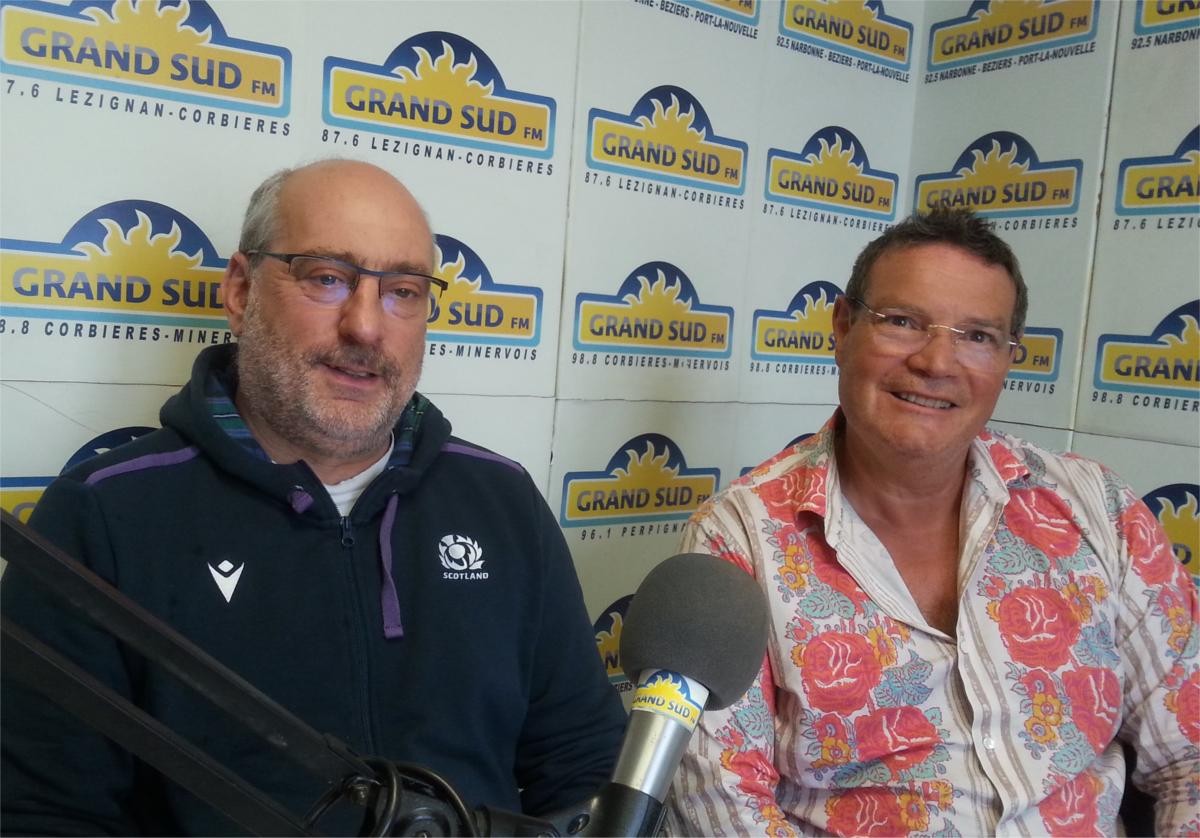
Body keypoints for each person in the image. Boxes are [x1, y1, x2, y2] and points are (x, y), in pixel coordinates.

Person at [1, 159, 626, 835]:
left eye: (403, 291)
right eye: (327, 278)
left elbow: (585, 765)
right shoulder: (104, 517)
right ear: (241, 291)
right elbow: (44, 815)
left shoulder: (503, 506)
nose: (366, 327)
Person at [669, 208, 1198, 836]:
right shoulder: (739, 539)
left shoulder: (1096, 508)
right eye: (902, 322)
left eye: (977, 335)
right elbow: (723, 806)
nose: (938, 361)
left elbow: (1190, 756)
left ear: (1007, 359)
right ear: (842, 328)